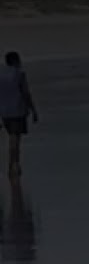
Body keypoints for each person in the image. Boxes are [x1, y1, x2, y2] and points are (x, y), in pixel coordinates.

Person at [0, 52, 38, 185]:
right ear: (16, 61)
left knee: (11, 136)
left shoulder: (1, 76)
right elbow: (26, 93)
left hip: (4, 112)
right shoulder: (19, 74)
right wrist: (33, 110)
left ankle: (12, 163)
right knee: (16, 138)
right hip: (18, 110)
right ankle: (14, 164)